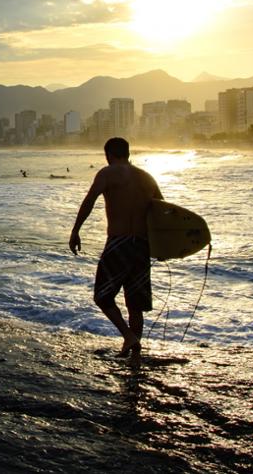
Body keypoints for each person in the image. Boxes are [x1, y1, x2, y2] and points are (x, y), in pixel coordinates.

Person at [69, 137, 162, 363]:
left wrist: (75, 231)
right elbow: (162, 211)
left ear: (109, 154)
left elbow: (89, 200)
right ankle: (134, 351)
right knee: (135, 303)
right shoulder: (147, 177)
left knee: (102, 295)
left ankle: (129, 337)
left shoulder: (107, 173)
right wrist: (163, 246)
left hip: (119, 242)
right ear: (128, 153)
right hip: (141, 245)